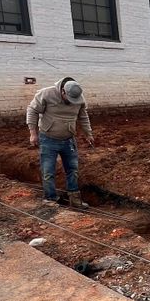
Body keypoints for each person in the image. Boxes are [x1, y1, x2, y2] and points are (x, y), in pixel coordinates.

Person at [26, 77, 94, 208]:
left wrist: (88, 133)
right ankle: (50, 199)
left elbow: (83, 116)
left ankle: (74, 199)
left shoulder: (78, 97)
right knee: (48, 171)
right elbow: (32, 110)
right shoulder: (46, 94)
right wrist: (33, 133)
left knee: (73, 170)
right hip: (48, 139)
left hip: (68, 140)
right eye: (68, 97)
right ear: (63, 91)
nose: (70, 101)